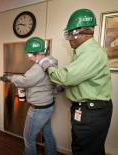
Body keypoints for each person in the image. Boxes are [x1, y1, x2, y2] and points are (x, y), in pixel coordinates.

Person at [41, 8, 113, 155]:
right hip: (90, 110)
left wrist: (47, 67)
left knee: (83, 150)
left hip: (91, 112)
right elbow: (78, 79)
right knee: (90, 149)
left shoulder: (91, 53)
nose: (68, 40)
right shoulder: (84, 52)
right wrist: (61, 87)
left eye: (70, 35)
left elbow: (67, 77)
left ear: (81, 32)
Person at [0, 37, 58, 155]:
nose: (28, 56)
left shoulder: (38, 68)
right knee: (48, 135)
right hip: (48, 105)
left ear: (35, 53)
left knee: (28, 138)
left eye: (28, 54)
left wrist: (9, 77)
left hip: (39, 109)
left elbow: (26, 81)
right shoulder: (50, 62)